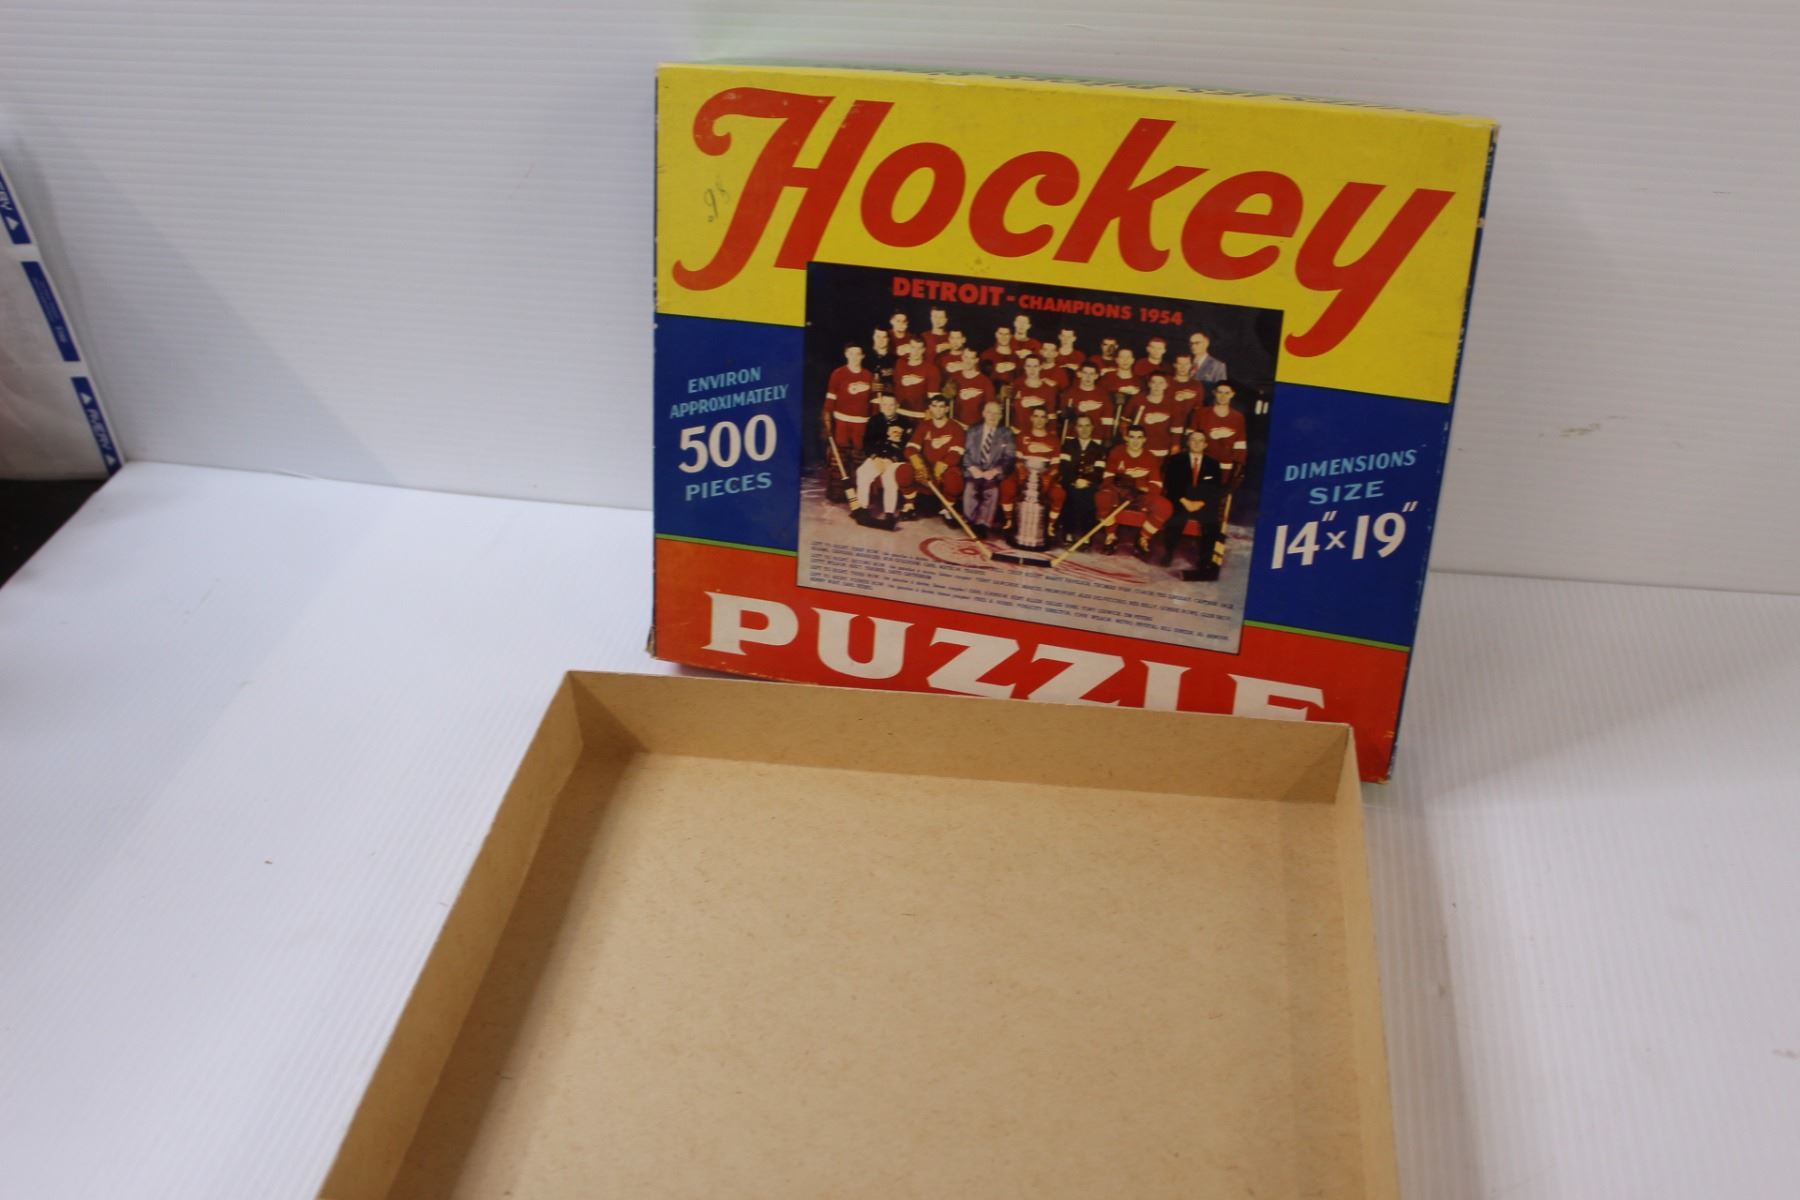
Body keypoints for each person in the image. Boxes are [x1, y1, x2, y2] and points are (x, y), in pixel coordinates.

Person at [1094, 426, 1170, 558]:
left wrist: (1140, 489)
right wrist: (1121, 489)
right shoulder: (1117, 452)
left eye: (1139, 437)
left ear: (1144, 439)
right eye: (1132, 437)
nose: (1135, 441)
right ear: (1126, 438)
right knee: (1102, 497)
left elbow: (1156, 484)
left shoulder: (1150, 457)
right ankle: (1111, 535)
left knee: (1165, 506)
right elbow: (1108, 478)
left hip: (1140, 496)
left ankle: (1143, 538)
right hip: (1119, 493)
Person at [1161, 429, 1227, 578]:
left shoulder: (1213, 464)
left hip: (1202, 503)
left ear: (1205, 445)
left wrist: (1201, 503)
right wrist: (1185, 501)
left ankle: (1204, 562)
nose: (1197, 443)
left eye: (1200, 441)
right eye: (1193, 440)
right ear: (1188, 442)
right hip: (1181, 500)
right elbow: (1171, 484)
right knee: (1176, 518)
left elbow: (1215, 489)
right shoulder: (1176, 460)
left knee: (1211, 524)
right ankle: (1168, 553)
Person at [901, 394, 965, 519]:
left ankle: (948, 509)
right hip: (926, 466)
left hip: (944, 468)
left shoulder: (956, 427)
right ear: (930, 407)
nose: (938, 410)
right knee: (903, 471)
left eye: (941, 407)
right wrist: (919, 465)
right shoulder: (924, 425)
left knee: (954, 479)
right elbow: (911, 448)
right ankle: (909, 505)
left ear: (947, 409)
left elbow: (956, 453)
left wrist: (942, 466)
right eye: (934, 406)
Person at [1051, 413, 1108, 543]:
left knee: (1089, 495)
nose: (1084, 429)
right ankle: (1068, 531)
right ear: (1076, 428)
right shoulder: (1068, 445)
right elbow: (1064, 467)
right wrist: (1075, 480)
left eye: (1087, 426)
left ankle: (1086, 533)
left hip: (1089, 483)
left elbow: (1098, 471)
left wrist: (1087, 481)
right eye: (1080, 426)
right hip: (1070, 481)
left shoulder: (1099, 449)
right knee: (1070, 493)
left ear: (1092, 427)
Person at [961, 400, 1016, 535]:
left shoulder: (1006, 433)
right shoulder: (973, 430)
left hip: (993, 471)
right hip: (975, 469)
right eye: (990, 412)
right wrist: (972, 468)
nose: (993, 416)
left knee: (992, 491)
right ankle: (970, 520)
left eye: (996, 413)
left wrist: (995, 471)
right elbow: (965, 453)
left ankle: (983, 524)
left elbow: (1009, 457)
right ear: (984, 414)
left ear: (1001, 416)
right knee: (970, 489)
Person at [854, 393, 912, 519]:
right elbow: (867, 443)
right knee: (862, 473)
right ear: (880, 406)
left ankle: (889, 513)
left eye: (891, 405)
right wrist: (875, 458)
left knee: (889, 478)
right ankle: (863, 509)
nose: (888, 408)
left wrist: (891, 460)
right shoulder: (874, 420)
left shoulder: (905, 422)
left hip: (894, 459)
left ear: (897, 405)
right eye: (885, 404)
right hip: (877, 458)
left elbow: (906, 446)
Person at [1007, 407, 1063, 535]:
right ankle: (1009, 521)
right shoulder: (1022, 436)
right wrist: (1022, 473)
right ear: (1031, 418)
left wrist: (1048, 477)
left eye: (1043, 417)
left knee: (1059, 494)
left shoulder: (1054, 440)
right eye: (1036, 416)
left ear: (1047, 420)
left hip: (1045, 474)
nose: (1039, 420)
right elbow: (1018, 460)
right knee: (1007, 487)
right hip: (1023, 473)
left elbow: (1055, 465)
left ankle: (1050, 526)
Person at [822, 342, 875, 474]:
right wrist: (827, 419)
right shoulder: (838, 374)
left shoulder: (869, 376)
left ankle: (858, 483)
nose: (854, 357)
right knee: (840, 457)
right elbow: (831, 399)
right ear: (846, 354)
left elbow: (874, 403)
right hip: (842, 422)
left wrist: (875, 422)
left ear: (863, 356)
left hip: (861, 423)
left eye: (858, 354)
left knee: (859, 457)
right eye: (851, 354)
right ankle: (838, 484)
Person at [1196, 380, 1250, 490]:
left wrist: (1239, 467)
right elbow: (1190, 439)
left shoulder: (1238, 417)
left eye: (1227, 393)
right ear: (1214, 393)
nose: (1223, 396)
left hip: (1226, 466)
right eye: (1220, 392)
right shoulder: (1201, 413)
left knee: (1219, 494)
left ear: (1232, 394)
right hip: (1203, 463)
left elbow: (1240, 445)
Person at [1132, 373, 1185, 458]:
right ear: (1149, 384)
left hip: (1162, 450)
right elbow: (1125, 421)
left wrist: (1175, 445)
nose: (1157, 386)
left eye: (1161, 383)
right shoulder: (1138, 400)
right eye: (1154, 382)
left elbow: (1176, 429)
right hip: (1139, 449)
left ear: (1166, 385)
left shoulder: (1173, 404)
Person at [891, 338, 942, 421]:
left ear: (923, 350)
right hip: (898, 413)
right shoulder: (900, 364)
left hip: (920, 415)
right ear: (909, 348)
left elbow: (933, 397)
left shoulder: (932, 369)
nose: (915, 351)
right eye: (913, 347)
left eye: (919, 348)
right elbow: (895, 388)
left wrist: (931, 412)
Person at [1062, 362, 1115, 440]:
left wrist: (1107, 439)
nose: (1088, 377)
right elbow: (1064, 418)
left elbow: (1107, 420)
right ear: (1079, 374)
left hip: (1095, 438)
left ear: (1096, 376)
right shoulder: (1069, 394)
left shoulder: (1104, 395)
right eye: (1085, 373)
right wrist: (1080, 409)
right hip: (1072, 437)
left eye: (1091, 374)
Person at [1009, 354, 1060, 430]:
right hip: (1018, 430)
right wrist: (1022, 402)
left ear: (1040, 367)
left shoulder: (1048, 389)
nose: (1032, 370)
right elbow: (1010, 410)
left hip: (1039, 432)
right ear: (1024, 367)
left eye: (1035, 366)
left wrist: (1052, 433)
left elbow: (1051, 416)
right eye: (1028, 366)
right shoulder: (1017, 384)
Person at [946, 347, 996, 426]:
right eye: (966, 357)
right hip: (957, 426)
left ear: (976, 360)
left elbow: (990, 409)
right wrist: (946, 397)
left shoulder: (985, 382)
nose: (968, 361)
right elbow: (944, 407)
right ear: (962, 357)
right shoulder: (954, 379)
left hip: (977, 428)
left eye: (971, 358)